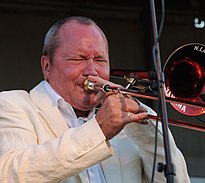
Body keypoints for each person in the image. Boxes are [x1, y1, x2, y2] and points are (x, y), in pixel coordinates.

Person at [0, 16, 190, 183]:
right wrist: (99, 130)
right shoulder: (14, 104)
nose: (92, 71)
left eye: (100, 60)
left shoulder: (129, 128)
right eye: (78, 59)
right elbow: (12, 175)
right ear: (47, 66)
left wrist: (145, 129)